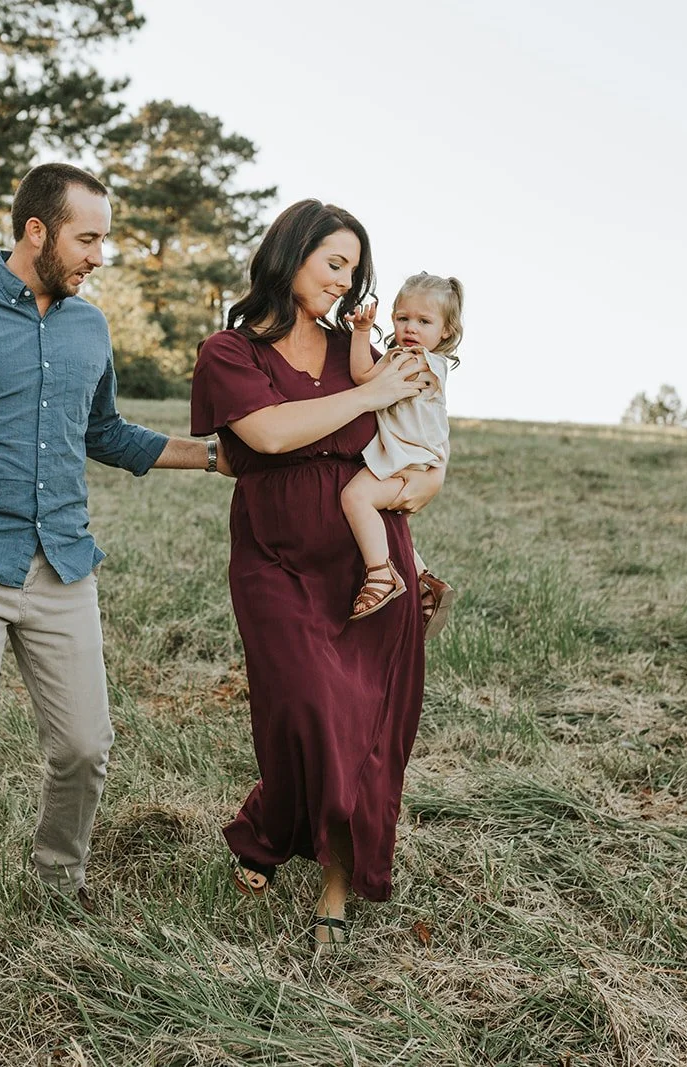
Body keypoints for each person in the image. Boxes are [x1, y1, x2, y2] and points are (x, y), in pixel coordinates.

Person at [0, 162, 227, 1022]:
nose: (101, 254)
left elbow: (104, 432)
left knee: (87, 745)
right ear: (36, 232)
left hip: (64, 565)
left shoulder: (90, 329)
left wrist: (210, 455)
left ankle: (59, 879)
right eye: (88, 237)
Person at [190, 199, 444, 950]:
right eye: (334, 262)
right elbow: (267, 434)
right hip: (275, 553)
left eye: (354, 268)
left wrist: (427, 482)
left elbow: (425, 428)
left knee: (362, 719)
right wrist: (368, 395)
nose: (346, 280)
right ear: (291, 253)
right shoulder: (230, 352)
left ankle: (337, 880)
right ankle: (267, 826)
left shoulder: (358, 347)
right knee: (302, 707)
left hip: (370, 558)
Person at [339, 275, 464, 620]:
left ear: (445, 332)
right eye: (403, 318)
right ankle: (424, 581)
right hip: (407, 457)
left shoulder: (424, 361)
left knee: (355, 498)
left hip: (409, 458)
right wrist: (362, 332)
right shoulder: (399, 357)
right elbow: (364, 377)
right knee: (388, 520)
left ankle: (380, 574)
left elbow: (367, 382)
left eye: (424, 321)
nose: (411, 327)